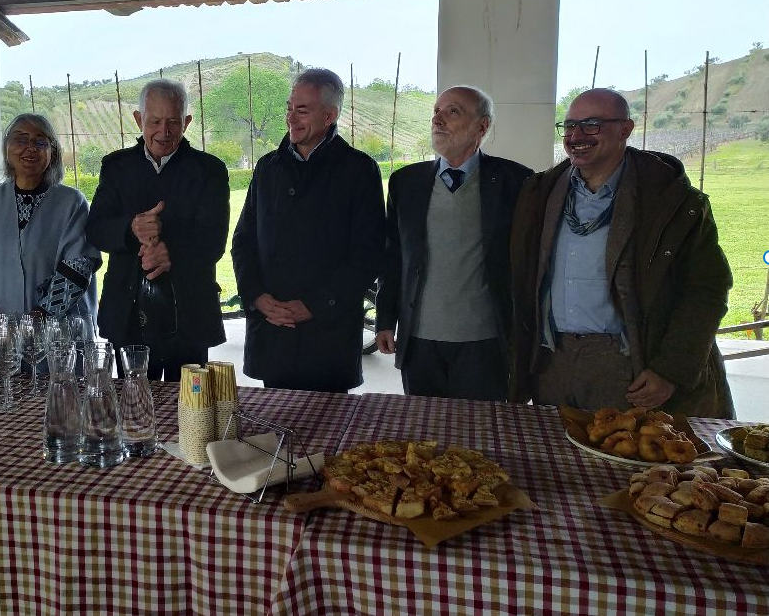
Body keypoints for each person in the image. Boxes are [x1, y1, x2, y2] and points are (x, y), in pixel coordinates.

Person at [509, 88, 733, 418]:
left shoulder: (672, 201)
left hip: (628, 367)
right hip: (552, 362)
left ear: (625, 129)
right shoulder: (539, 194)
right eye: (569, 126)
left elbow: (707, 289)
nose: (576, 136)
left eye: (591, 125)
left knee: (626, 451)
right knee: (555, 450)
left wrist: (671, 369)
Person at [231, 68, 385, 393]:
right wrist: (257, 297)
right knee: (273, 422)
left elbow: (368, 254)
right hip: (273, 332)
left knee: (331, 424)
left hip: (328, 339)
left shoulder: (358, 170)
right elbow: (243, 241)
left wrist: (315, 304)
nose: (291, 118)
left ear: (329, 115)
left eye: (302, 110)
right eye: (289, 108)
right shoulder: (268, 168)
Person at [375, 86, 533, 401]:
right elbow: (393, 259)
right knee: (423, 425)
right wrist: (385, 320)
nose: (438, 119)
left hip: (485, 342)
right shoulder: (406, 182)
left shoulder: (516, 182)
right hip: (419, 342)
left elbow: (529, 262)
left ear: (482, 126)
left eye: (452, 112)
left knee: (480, 427)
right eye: (436, 111)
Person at [86, 79, 230, 381]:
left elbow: (214, 241)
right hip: (128, 313)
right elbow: (96, 230)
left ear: (186, 122)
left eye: (173, 122)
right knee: (134, 400)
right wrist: (131, 228)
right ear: (139, 119)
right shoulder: (116, 167)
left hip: (189, 313)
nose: (163, 132)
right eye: (154, 121)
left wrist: (170, 252)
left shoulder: (209, 171)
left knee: (191, 404)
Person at [0, 113, 100, 322]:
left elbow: (79, 264)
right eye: (21, 140)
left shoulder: (72, 202)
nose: (31, 148)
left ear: (53, 152)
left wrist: (38, 319)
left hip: (58, 331)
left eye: (41, 142)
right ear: (7, 148)